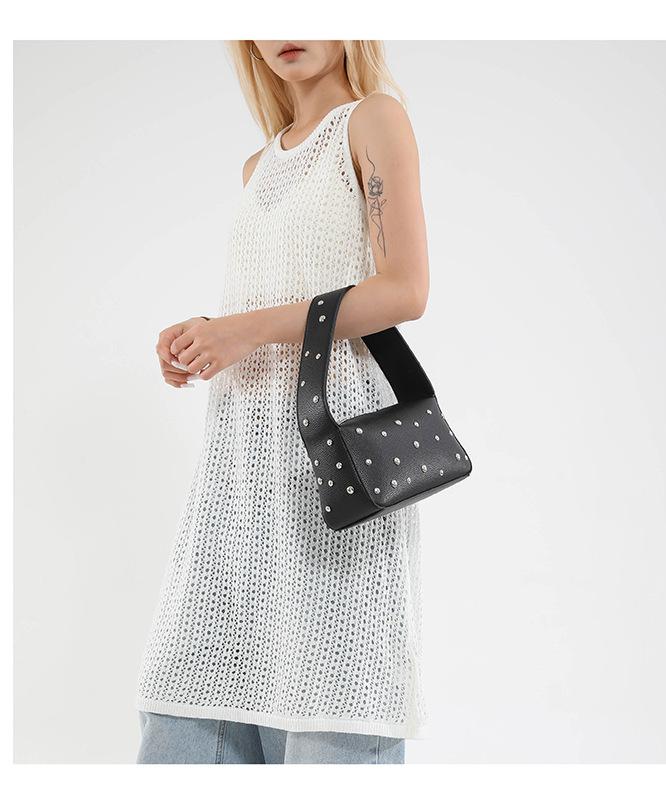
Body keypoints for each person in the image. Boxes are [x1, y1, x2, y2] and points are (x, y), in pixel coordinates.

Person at [135, 40, 430, 765]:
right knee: (184, 709)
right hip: (238, 481)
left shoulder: (372, 120)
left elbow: (405, 289)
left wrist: (245, 330)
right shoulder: (257, 166)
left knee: (333, 712)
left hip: (336, 470)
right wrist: (207, 339)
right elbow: (279, 297)